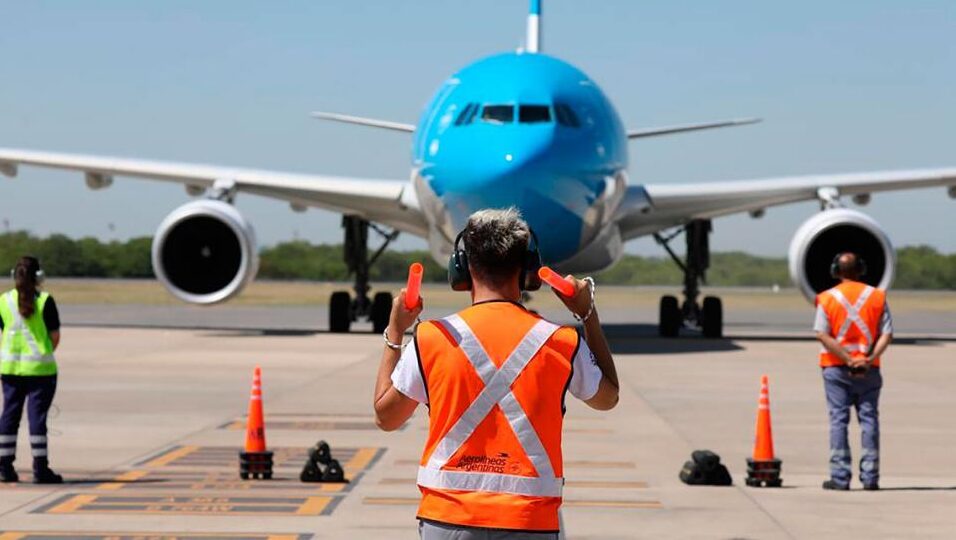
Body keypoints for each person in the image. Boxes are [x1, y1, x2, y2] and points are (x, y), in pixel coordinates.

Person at [374, 208, 619, 539]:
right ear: (528, 270)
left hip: (447, 517)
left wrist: (395, 332)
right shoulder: (560, 341)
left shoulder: (432, 338)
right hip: (529, 520)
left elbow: (386, 417)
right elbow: (608, 398)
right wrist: (587, 313)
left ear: (462, 267)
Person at [814, 252, 892, 491]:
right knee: (869, 420)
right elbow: (887, 334)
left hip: (837, 369)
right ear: (861, 268)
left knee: (839, 421)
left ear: (836, 270)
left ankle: (840, 477)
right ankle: (870, 477)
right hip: (868, 370)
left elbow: (821, 333)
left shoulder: (827, 298)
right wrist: (868, 359)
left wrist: (847, 358)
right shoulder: (877, 297)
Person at [0, 256, 63, 484]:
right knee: (37, 419)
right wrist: (43, 352)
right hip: (40, 370)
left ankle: (4, 467)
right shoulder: (45, 301)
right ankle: (40, 468)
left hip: (10, 370)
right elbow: (54, 337)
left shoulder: (3, 301)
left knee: (9, 416)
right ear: (39, 278)